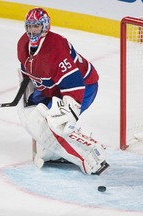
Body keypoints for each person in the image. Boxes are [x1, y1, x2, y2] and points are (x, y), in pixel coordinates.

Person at [17, 8, 109, 175]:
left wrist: (65, 117)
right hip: (53, 87)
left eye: (36, 27)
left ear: (45, 26)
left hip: (84, 86)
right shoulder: (22, 44)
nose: (31, 31)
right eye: (29, 26)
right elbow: (27, 70)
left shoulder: (54, 49)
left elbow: (74, 85)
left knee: (56, 123)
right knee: (34, 112)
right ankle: (53, 148)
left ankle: (90, 153)